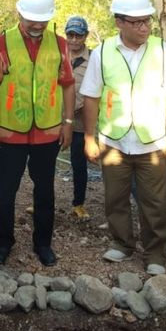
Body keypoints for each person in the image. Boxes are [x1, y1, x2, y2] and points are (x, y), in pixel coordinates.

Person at [81, 0, 166, 275]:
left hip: (152, 141)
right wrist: (89, 137)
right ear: (119, 22)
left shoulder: (161, 50)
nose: (144, 26)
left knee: (154, 201)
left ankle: (155, 253)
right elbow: (91, 95)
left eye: (147, 20)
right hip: (114, 141)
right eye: (137, 21)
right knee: (115, 196)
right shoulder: (103, 52)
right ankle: (122, 243)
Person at [0, 0, 75, 266]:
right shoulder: (1, 43)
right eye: (31, 19)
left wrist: (68, 123)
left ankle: (43, 244)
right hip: (9, 132)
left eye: (42, 20)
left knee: (45, 190)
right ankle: (2, 243)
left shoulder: (59, 45)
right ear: (19, 12)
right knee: (5, 192)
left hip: (47, 131)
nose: (37, 25)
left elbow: (68, 87)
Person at [65, 15, 92, 221]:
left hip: (81, 120)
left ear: (85, 36)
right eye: (70, 35)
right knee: (43, 162)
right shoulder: (58, 54)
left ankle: (79, 204)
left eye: (78, 36)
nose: (74, 40)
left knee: (78, 163)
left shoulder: (93, 59)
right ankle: (40, 202)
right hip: (55, 119)